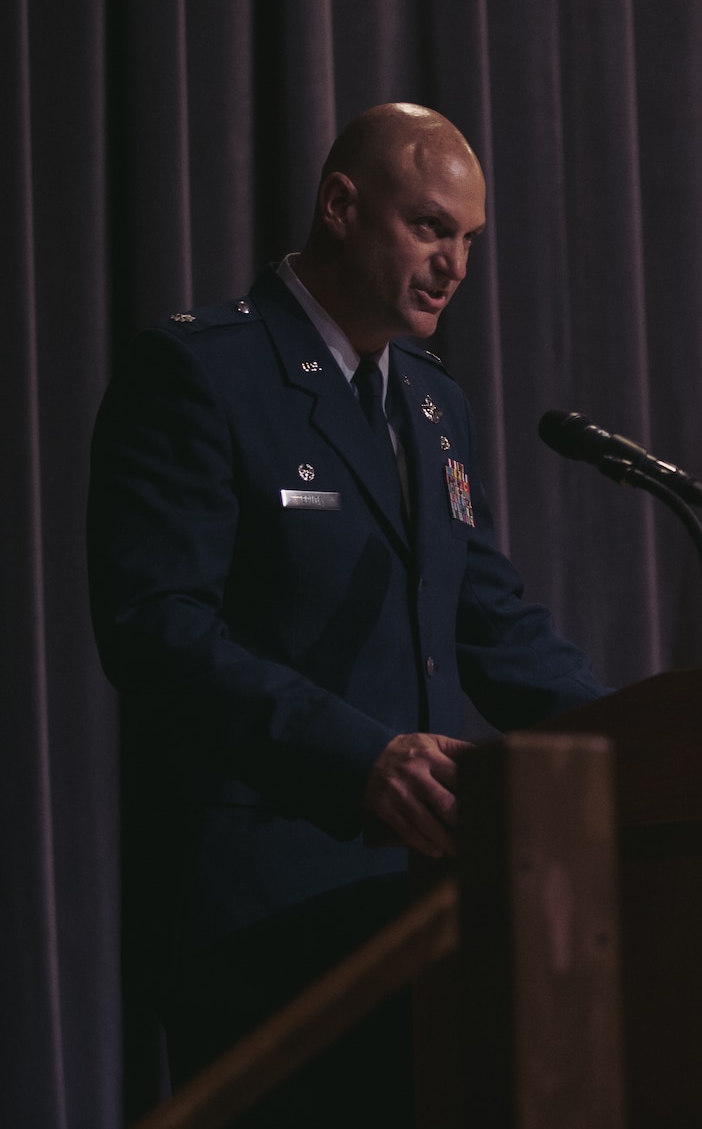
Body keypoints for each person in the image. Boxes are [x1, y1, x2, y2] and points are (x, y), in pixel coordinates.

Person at [88, 103, 606, 1123]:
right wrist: (357, 756)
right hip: (257, 914)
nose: (453, 265)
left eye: (467, 240)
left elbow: (490, 623)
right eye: (427, 227)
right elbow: (155, 628)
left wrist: (653, 740)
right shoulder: (203, 373)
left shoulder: (430, 403)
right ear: (340, 206)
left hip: (423, 915)